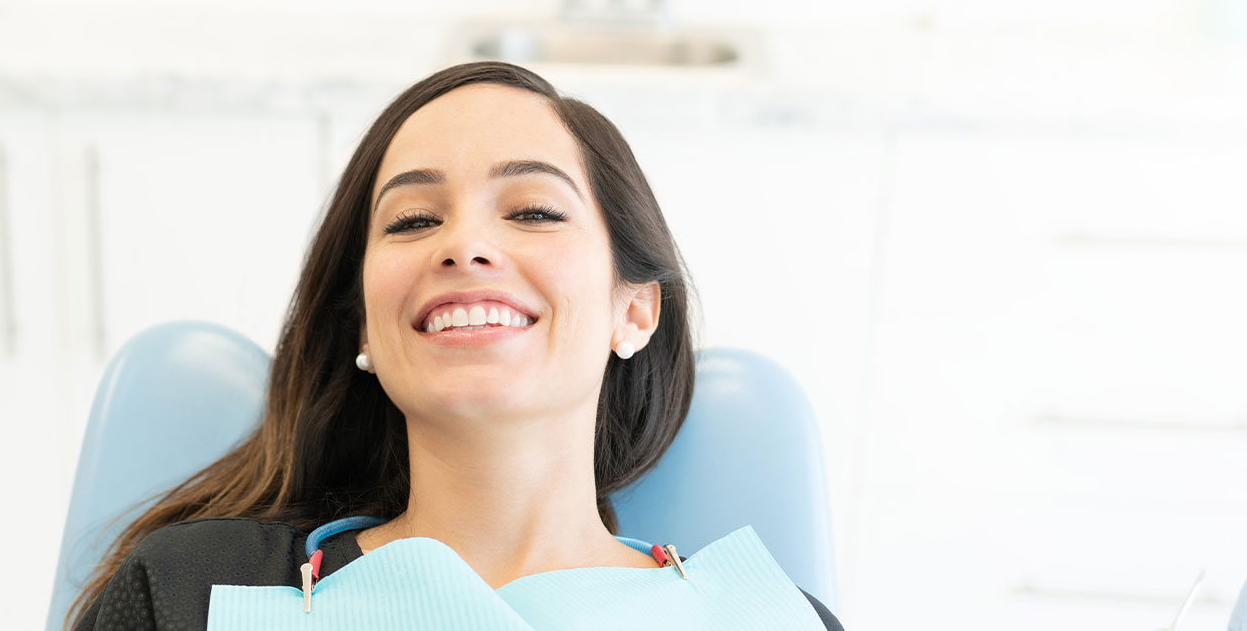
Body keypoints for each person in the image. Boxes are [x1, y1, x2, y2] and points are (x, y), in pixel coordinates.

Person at [67, 61, 844, 630]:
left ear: (636, 310)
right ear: (365, 327)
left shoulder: (772, 617)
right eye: (412, 221)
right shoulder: (187, 593)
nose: (464, 244)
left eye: (534, 211)